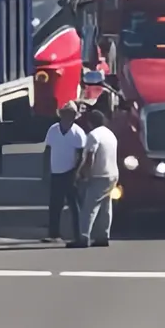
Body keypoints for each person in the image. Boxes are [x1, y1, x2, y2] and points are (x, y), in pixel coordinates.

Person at [69, 109, 117, 248]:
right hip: (112, 173)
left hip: (99, 175)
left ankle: (83, 237)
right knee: (106, 207)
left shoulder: (93, 135)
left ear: (90, 122)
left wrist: (83, 174)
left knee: (89, 208)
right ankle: (103, 236)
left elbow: (90, 156)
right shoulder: (110, 134)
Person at [43, 102, 86, 243]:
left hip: (70, 172)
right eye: (66, 113)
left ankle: (78, 234)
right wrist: (45, 170)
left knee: (74, 206)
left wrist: (76, 173)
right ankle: (53, 234)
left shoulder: (78, 133)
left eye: (72, 114)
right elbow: (47, 150)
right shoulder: (53, 130)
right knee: (55, 204)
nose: (69, 117)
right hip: (56, 171)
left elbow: (82, 156)